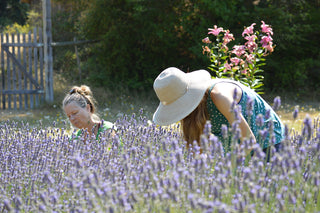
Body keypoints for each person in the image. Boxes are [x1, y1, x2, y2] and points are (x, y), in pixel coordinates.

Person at [152, 67, 284, 158]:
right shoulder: (195, 112)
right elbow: (198, 152)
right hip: (241, 151)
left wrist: (224, 169)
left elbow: (249, 141)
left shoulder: (219, 96)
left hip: (270, 144)